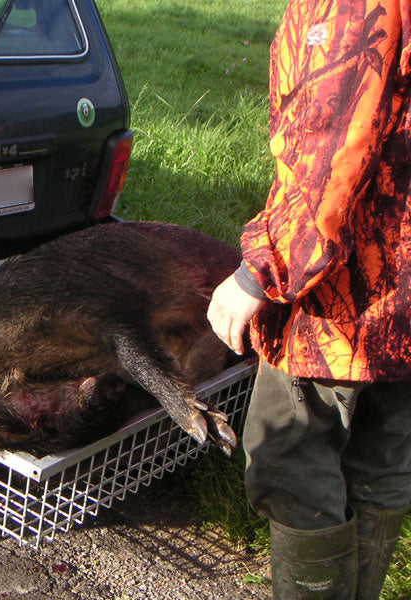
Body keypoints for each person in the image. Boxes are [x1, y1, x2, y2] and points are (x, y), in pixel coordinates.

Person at [206, 1, 411, 598]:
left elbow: (328, 149)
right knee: (382, 453)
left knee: (289, 456)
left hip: (347, 298)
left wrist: (257, 270)